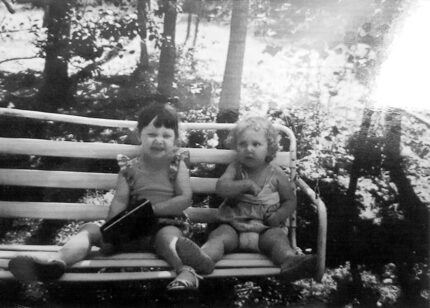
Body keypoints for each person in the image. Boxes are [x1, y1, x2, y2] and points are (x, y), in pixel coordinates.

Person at [8, 102, 201, 291]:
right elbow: (120, 200)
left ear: (175, 139)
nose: (158, 140)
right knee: (90, 229)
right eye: (151, 134)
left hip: (165, 224)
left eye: (166, 135)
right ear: (139, 135)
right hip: (132, 228)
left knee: (167, 237)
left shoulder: (177, 163)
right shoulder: (129, 167)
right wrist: (112, 231)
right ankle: (56, 263)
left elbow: (185, 198)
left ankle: (184, 270)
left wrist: (152, 211)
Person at [176, 116, 317, 283]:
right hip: (233, 228)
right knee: (219, 237)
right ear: (236, 147)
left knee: (278, 239)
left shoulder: (276, 173)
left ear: (269, 148)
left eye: (256, 144)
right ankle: (204, 259)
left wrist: (279, 216)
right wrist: (244, 185)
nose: (249, 149)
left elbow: (290, 201)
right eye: (243, 144)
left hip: (265, 229)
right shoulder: (235, 168)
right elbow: (221, 188)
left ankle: (290, 261)